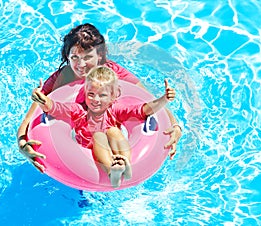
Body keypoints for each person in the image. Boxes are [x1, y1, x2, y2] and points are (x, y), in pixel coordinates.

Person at [17, 23, 182, 173]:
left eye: (88, 57)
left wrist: (175, 127)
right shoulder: (63, 78)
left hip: (109, 131)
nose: (81, 65)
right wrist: (23, 144)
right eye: (74, 57)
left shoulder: (112, 73)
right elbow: (28, 120)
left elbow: (148, 100)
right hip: (78, 135)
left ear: (100, 55)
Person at [32, 66, 176, 188]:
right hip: (87, 152)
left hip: (114, 148)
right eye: (91, 94)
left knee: (113, 131)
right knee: (99, 135)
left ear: (113, 96)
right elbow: (57, 108)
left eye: (102, 95)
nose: (95, 100)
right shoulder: (78, 111)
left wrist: (164, 99)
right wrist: (42, 100)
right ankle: (111, 172)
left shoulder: (116, 110)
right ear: (85, 93)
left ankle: (125, 164)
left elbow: (143, 110)